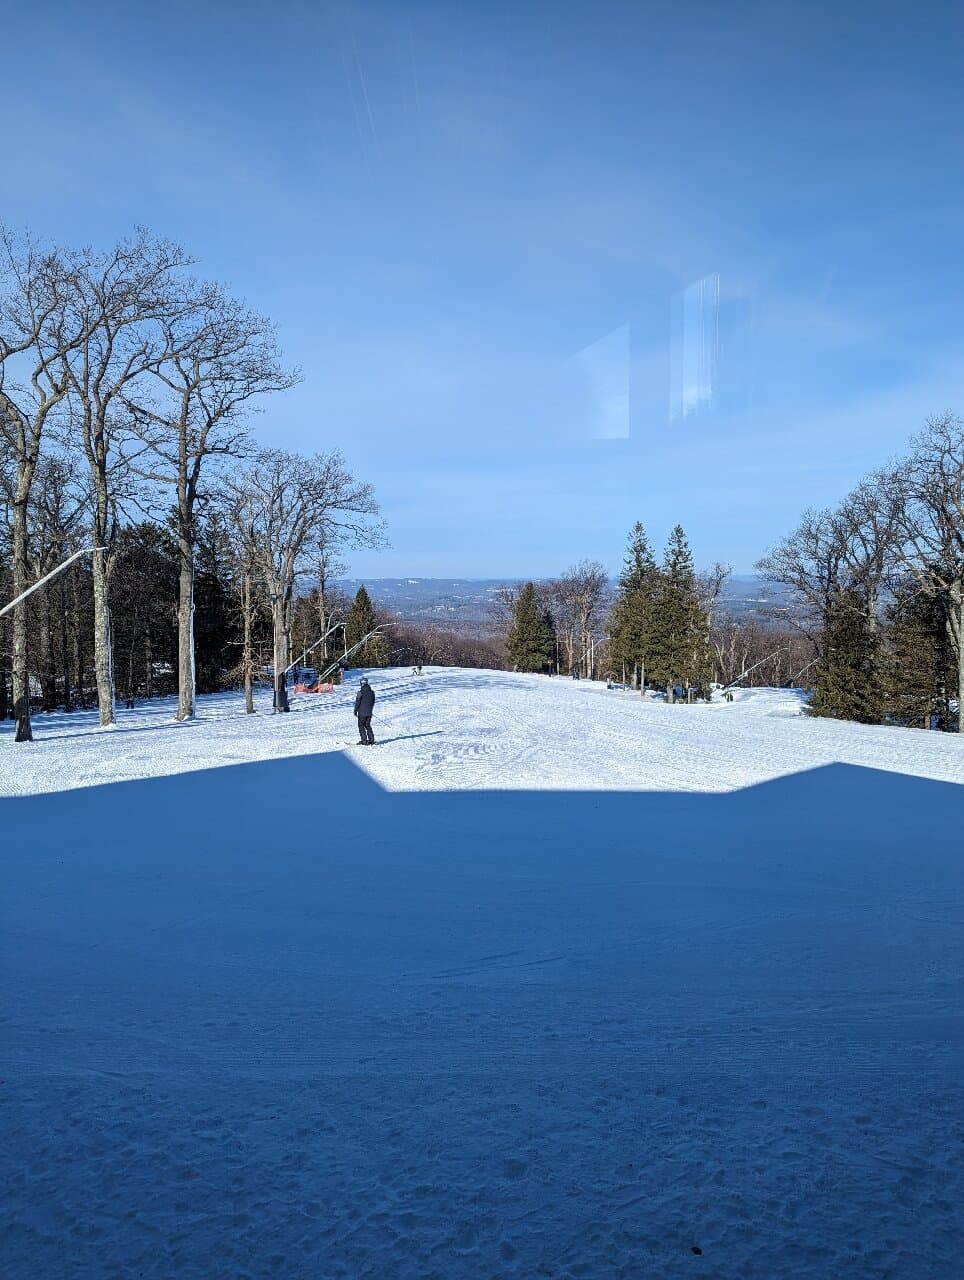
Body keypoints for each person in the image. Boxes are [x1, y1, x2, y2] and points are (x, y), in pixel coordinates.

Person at [353, 677, 376, 745]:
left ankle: (364, 741)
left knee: (361, 725)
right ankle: (371, 740)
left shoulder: (360, 693)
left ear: (361, 683)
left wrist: (355, 711)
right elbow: (373, 702)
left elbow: (357, 702)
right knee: (367, 725)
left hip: (362, 713)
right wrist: (369, 710)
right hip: (369, 713)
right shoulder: (372, 692)